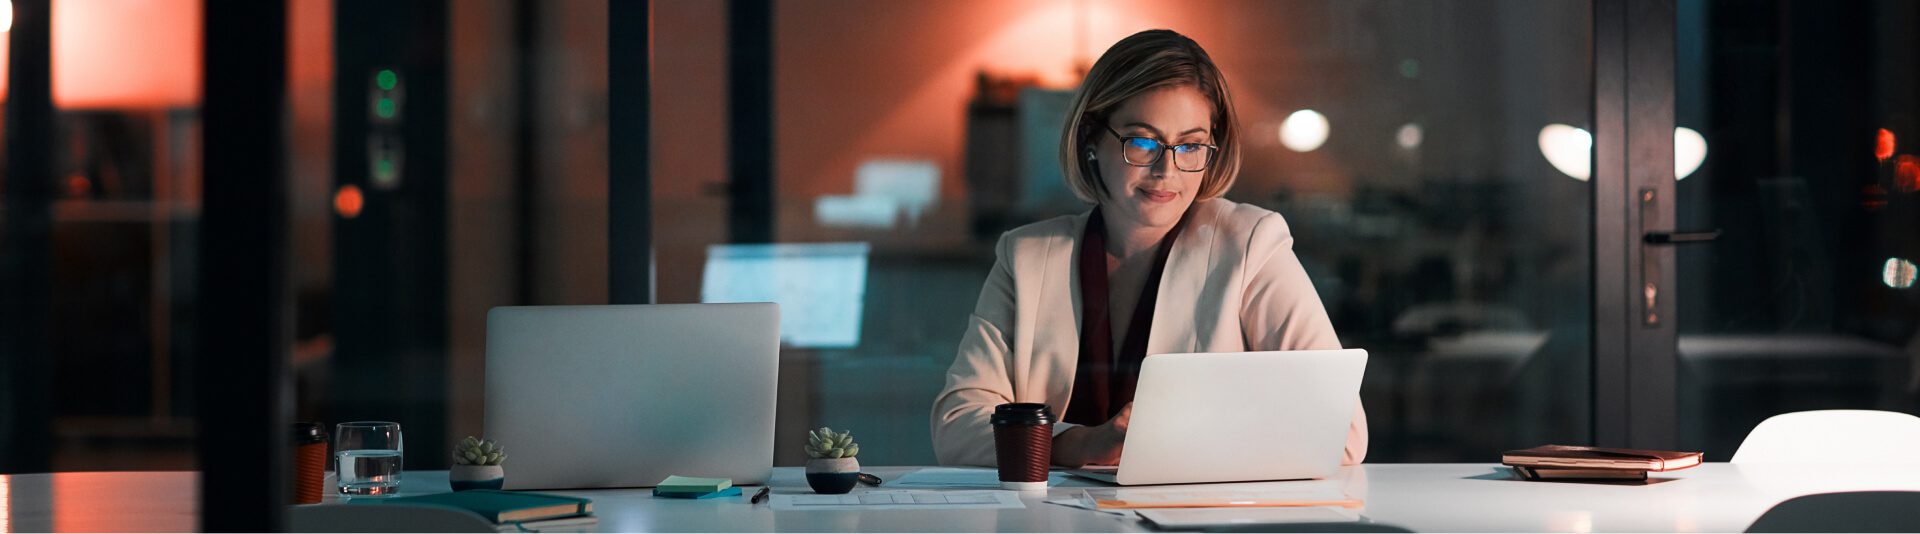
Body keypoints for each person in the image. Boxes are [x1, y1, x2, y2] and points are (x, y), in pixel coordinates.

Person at [930, 29, 1367, 468]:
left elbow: (1341, 433)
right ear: (1091, 139)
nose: (1167, 169)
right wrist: (1077, 445)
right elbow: (957, 425)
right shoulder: (1025, 256)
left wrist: (1166, 446)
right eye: (1142, 142)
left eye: (1191, 145)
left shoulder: (1251, 243)